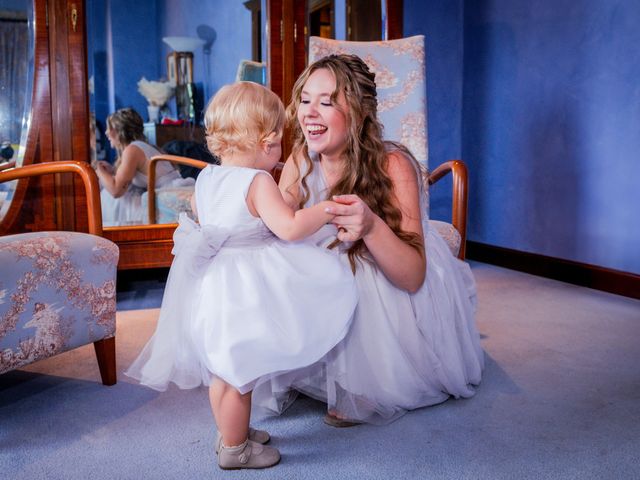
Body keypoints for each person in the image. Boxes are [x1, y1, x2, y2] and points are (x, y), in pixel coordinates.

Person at [125, 82, 357, 470]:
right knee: (240, 375)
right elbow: (289, 228)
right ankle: (235, 450)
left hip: (213, 285)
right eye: (279, 143)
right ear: (267, 142)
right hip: (245, 290)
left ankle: (232, 433)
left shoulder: (206, 178)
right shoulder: (258, 181)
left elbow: (222, 220)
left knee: (225, 369)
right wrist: (327, 209)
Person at [251, 54, 485, 426]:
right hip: (321, 269)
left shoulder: (393, 166)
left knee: (353, 269)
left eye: (326, 102)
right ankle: (304, 361)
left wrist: (372, 226)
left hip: (387, 268)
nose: (309, 112)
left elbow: (412, 277)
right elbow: (281, 226)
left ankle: (362, 377)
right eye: (305, 99)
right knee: (276, 264)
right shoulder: (301, 160)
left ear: (358, 114)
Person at [96, 107, 193, 226]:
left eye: (109, 128)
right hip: (171, 187)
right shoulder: (144, 146)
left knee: (109, 197)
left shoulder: (132, 150)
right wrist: (111, 170)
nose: (106, 132)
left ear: (118, 131)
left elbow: (116, 190)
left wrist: (98, 169)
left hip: (164, 193)